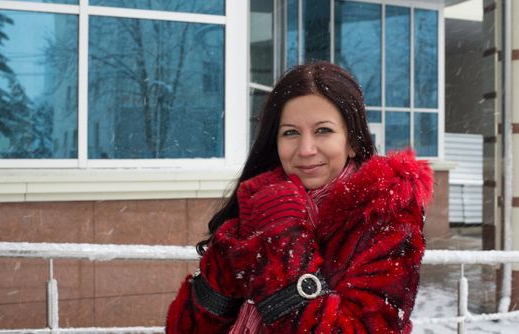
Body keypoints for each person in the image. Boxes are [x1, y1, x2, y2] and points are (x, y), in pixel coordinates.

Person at [165, 61, 433, 333]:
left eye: (323, 130)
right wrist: (226, 262)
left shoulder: (386, 215)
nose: (306, 149)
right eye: (291, 132)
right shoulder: (258, 203)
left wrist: (282, 241)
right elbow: (185, 328)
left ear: (352, 142)